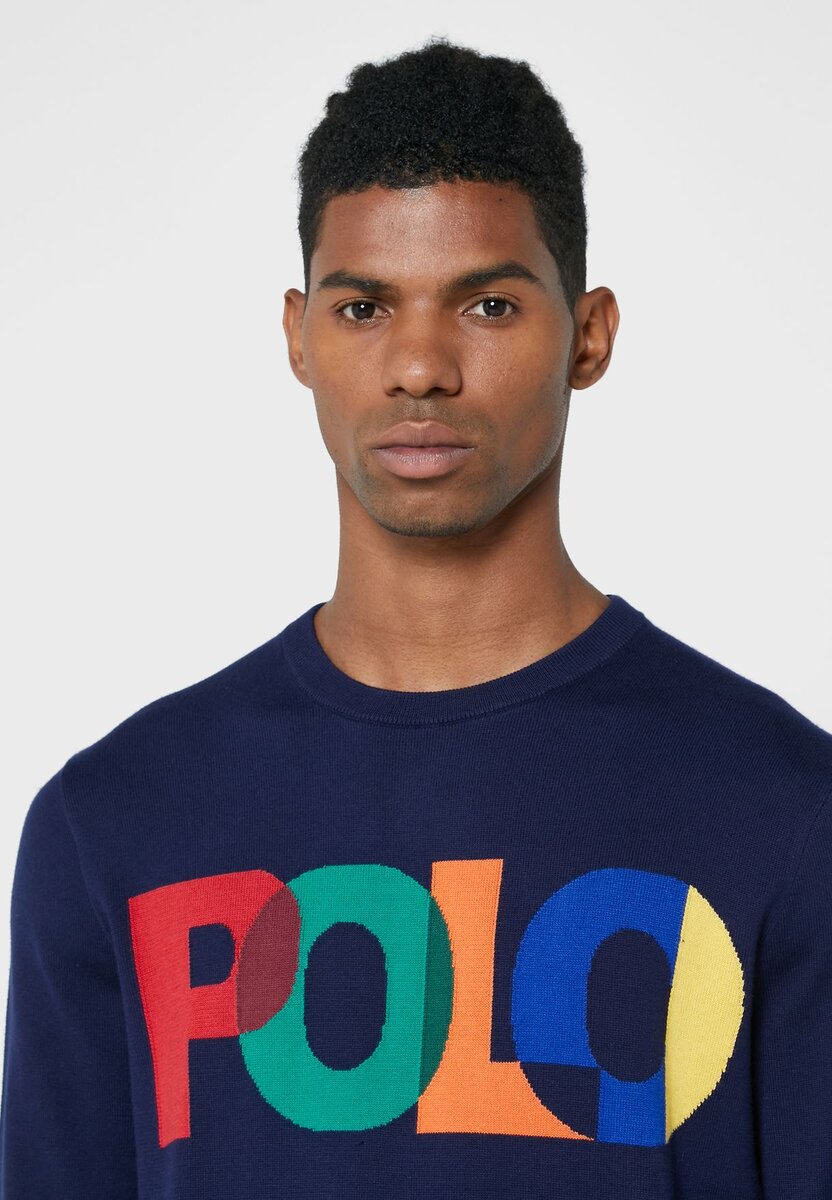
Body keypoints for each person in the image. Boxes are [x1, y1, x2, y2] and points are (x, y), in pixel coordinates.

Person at [1, 35, 830, 1200]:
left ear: (588, 334)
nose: (420, 367)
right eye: (363, 307)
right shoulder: (112, 824)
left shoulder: (783, 811)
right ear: (297, 336)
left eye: (487, 304)